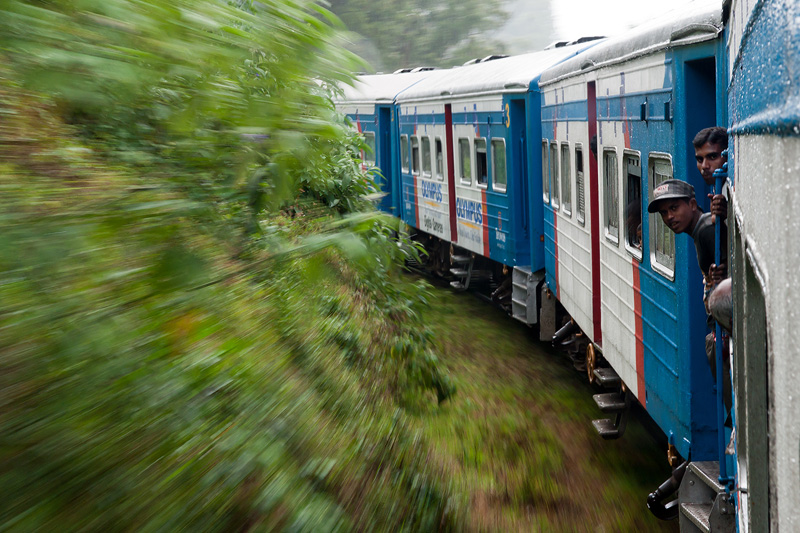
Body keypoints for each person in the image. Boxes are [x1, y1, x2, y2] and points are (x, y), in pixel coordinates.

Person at [647, 179, 731, 413]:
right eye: (664, 213)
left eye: (674, 208)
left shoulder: (705, 231)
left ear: (693, 204)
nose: (669, 217)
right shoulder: (701, 229)